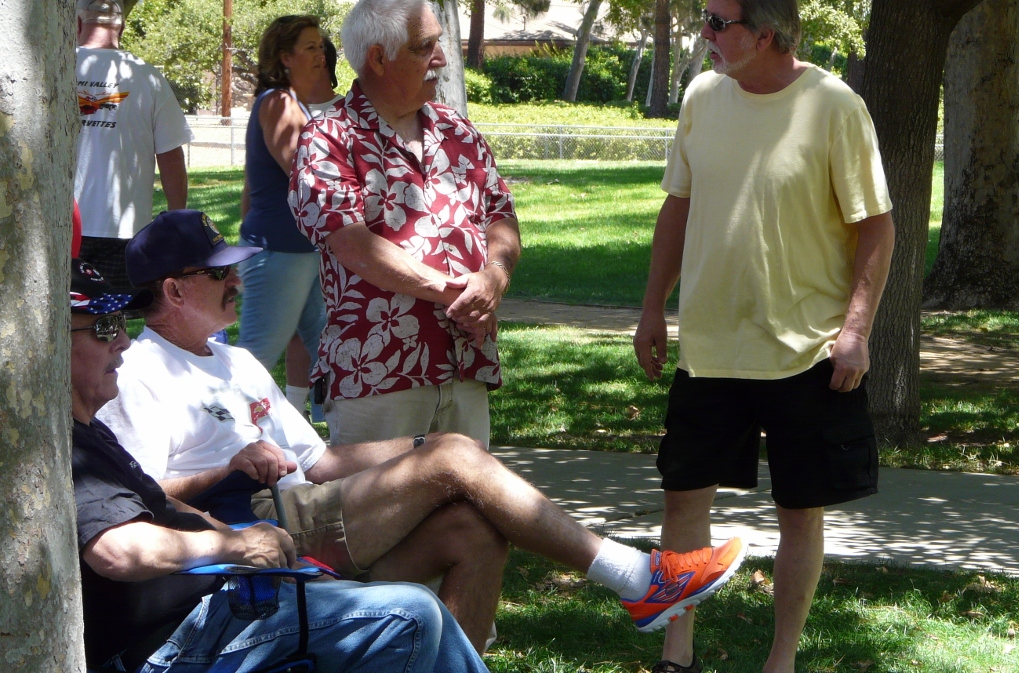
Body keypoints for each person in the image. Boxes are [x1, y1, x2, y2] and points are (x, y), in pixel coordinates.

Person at [99, 209, 747, 651]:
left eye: (234, 267)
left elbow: (320, 461)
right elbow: (145, 498)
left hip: (309, 508)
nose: (238, 280)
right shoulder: (140, 372)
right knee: (457, 459)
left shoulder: (235, 360)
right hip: (253, 529)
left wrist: (419, 450)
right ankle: (638, 580)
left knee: (474, 528)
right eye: (220, 273)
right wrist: (230, 466)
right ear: (175, 291)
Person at [633, 0, 896, 673]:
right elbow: (678, 208)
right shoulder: (701, 97)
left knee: (798, 514)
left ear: (768, 35)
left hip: (806, 353)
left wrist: (856, 332)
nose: (706, 33)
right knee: (682, 501)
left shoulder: (835, 105)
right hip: (710, 348)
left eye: (720, 23)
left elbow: (876, 228)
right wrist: (654, 307)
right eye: (706, 18)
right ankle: (676, 655)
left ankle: (780, 661)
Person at [68, 257, 490, 673]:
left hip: (227, 601)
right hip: (177, 641)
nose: (122, 340)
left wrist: (260, 545)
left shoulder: (93, 434)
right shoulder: (69, 448)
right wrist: (233, 547)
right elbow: (117, 550)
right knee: (410, 614)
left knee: (435, 580)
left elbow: (163, 502)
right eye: (104, 327)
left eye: (121, 323)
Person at [289, 0, 519, 448]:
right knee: (380, 516)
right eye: (424, 47)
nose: (441, 58)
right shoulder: (328, 138)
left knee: (469, 514)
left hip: (466, 362)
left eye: (439, 42)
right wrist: (457, 293)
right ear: (378, 59)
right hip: (380, 371)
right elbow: (352, 244)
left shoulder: (458, 129)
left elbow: (501, 215)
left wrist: (494, 276)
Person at [236, 16, 339, 419]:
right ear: (285, 57)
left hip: (301, 251)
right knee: (256, 357)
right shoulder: (279, 103)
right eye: (310, 47)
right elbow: (309, 176)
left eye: (320, 45)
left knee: (330, 346)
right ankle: (222, 449)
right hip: (279, 251)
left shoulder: (289, 103)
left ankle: (347, 439)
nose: (320, 54)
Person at [74, 0, 192, 292]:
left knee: (62, 326)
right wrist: (177, 220)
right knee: (114, 329)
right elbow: (171, 156)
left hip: (60, 227)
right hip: (125, 231)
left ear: (77, 22)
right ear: (122, 25)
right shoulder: (148, 77)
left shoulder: (54, 70)